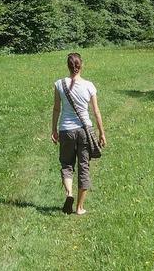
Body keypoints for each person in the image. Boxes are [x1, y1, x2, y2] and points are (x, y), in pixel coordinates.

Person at [51, 52, 105, 215]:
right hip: (84, 131)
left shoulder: (59, 84)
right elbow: (96, 112)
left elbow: (56, 108)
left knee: (67, 164)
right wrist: (102, 133)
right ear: (81, 66)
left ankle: (69, 194)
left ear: (68, 66)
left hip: (66, 130)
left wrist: (53, 129)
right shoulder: (89, 86)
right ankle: (79, 208)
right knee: (84, 166)